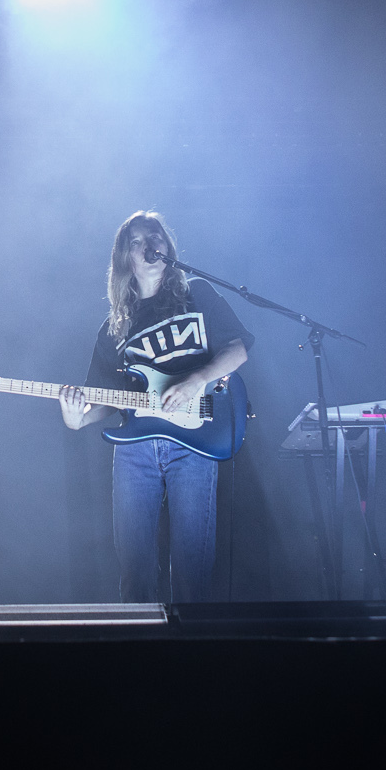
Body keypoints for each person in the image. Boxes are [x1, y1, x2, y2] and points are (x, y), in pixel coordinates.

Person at [59, 212, 252, 603]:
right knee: (135, 573)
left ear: (168, 245)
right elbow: (102, 402)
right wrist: (74, 415)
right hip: (135, 452)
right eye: (137, 241)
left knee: (191, 571)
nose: (150, 243)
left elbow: (238, 348)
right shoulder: (115, 327)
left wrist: (197, 379)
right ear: (125, 259)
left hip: (195, 442)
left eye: (156, 235)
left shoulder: (198, 294)